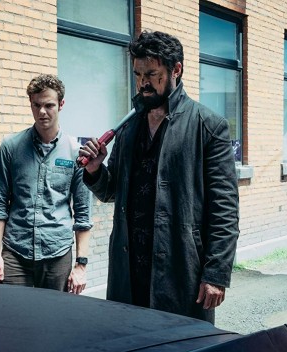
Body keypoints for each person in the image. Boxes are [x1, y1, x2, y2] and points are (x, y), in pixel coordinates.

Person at [78, 31, 239, 323]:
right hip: (128, 271)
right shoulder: (128, 127)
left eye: (152, 74)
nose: (143, 83)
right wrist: (95, 170)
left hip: (180, 270)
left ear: (176, 69)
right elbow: (111, 191)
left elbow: (224, 210)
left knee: (183, 347)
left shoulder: (208, 126)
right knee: (129, 344)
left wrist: (216, 273)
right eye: (138, 75)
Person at [0, 74, 92, 294]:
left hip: (58, 253)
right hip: (15, 251)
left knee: (55, 313)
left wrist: (81, 265)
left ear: (61, 104)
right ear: (31, 103)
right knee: (12, 312)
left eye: (49, 105)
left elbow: (83, 213)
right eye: (37, 105)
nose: (42, 111)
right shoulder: (10, 147)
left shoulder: (76, 152)